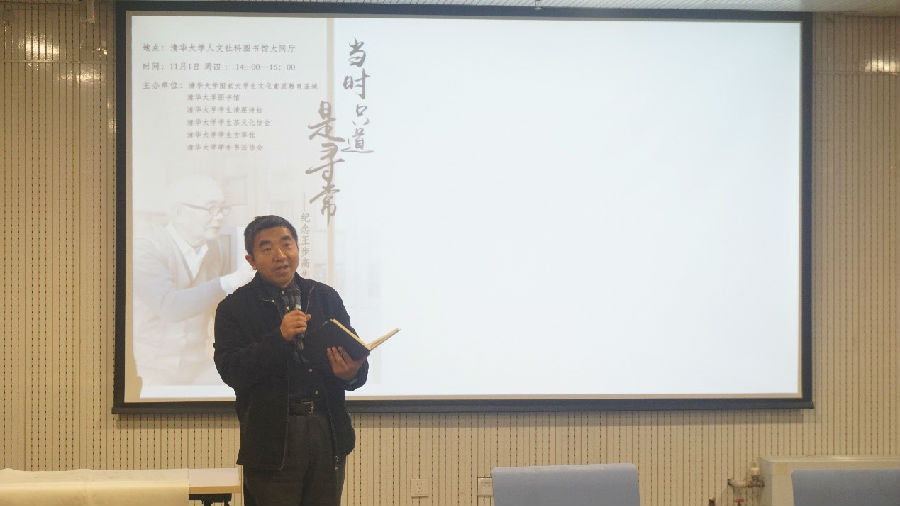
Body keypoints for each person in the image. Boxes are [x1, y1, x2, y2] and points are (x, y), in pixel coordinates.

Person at [214, 215, 368, 506]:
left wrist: (351, 373)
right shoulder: (234, 308)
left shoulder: (324, 297)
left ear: (298, 248)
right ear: (251, 260)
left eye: (286, 244)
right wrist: (279, 337)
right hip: (272, 440)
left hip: (327, 431)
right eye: (267, 248)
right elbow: (232, 371)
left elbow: (356, 355)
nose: (280, 255)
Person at [132, 174, 253, 387]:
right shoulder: (145, 249)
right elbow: (168, 306)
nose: (219, 217)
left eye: (222, 209)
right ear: (179, 212)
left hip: (197, 367)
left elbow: (221, 309)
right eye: (211, 208)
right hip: (149, 369)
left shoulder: (216, 249)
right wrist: (230, 282)